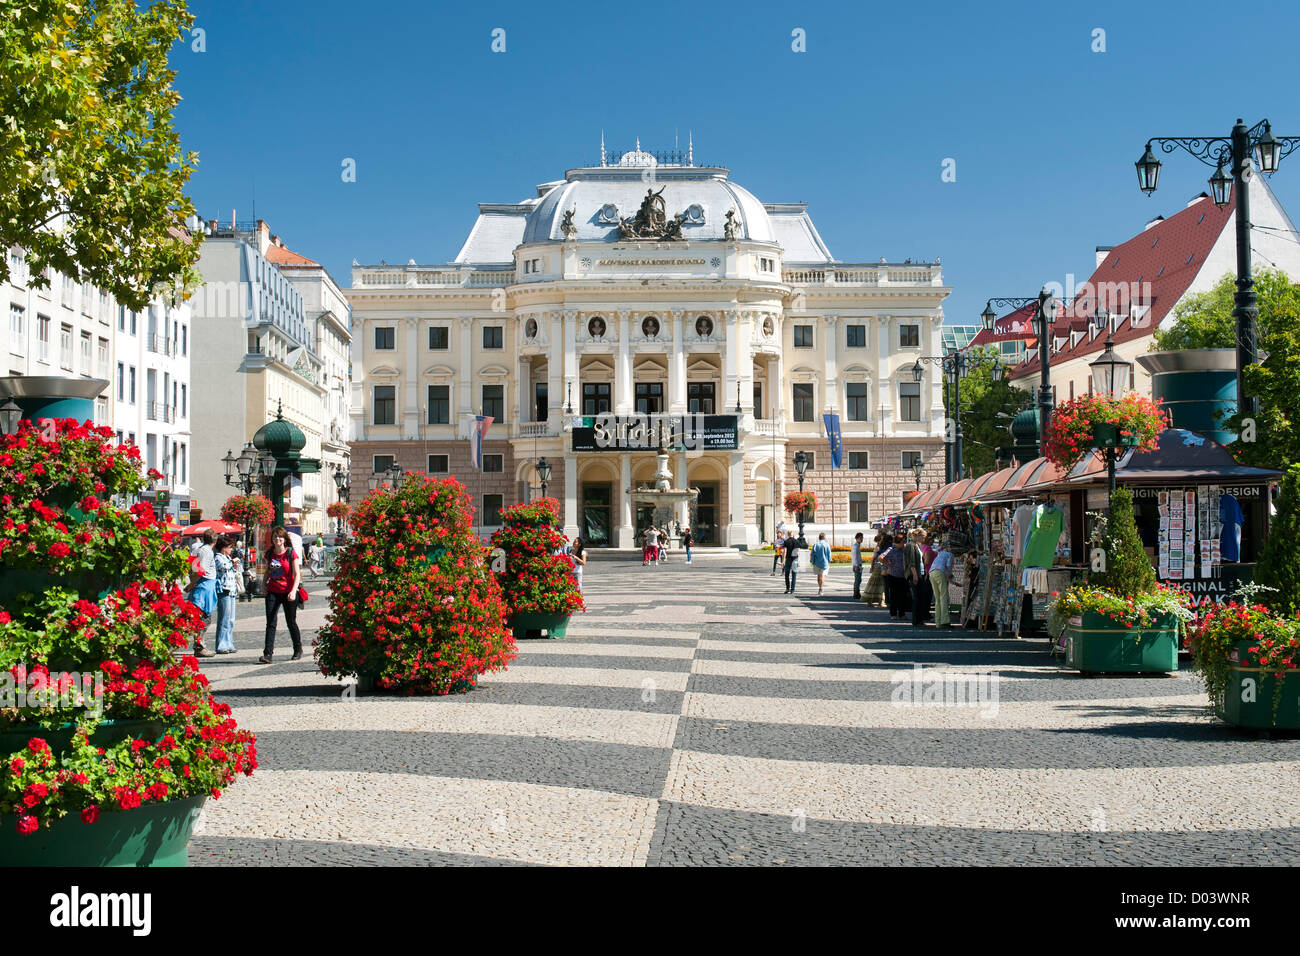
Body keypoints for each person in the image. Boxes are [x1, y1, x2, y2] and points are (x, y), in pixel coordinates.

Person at [259, 526, 303, 664]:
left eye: (280, 537)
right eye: (275, 537)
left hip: (288, 591)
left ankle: (297, 649)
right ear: (272, 539)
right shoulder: (270, 553)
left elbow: (297, 574)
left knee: (291, 622)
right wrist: (263, 584)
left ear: (284, 539)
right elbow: (268, 571)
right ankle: (268, 654)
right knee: (270, 622)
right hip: (273, 590)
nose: (277, 539)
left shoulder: (290, 553)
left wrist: (293, 591)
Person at [188, 531, 219, 657]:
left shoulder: (199, 550)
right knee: (204, 618)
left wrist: (192, 582)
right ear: (215, 540)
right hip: (204, 587)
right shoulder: (207, 552)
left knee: (200, 618)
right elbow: (201, 571)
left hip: (201, 586)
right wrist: (191, 584)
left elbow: (193, 569)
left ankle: (199, 644)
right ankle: (199, 646)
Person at [212, 537, 239, 654]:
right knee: (224, 618)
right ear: (223, 548)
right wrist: (232, 562)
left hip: (231, 589)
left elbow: (231, 570)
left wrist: (235, 566)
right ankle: (221, 644)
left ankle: (229, 643)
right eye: (229, 547)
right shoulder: (218, 557)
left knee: (231, 619)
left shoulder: (227, 557)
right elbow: (223, 567)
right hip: (224, 590)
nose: (231, 549)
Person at [905, 529, 929, 628]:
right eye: (922, 537)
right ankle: (916, 620)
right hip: (915, 574)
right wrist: (914, 575)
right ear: (917, 536)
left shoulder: (916, 545)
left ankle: (919, 619)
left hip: (920, 573)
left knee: (920, 597)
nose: (923, 539)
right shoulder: (911, 545)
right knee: (916, 598)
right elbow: (911, 562)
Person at [880, 532, 907, 620]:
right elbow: (880, 557)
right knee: (894, 595)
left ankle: (902, 614)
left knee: (903, 596)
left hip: (903, 575)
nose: (904, 543)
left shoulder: (904, 549)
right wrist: (888, 565)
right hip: (893, 575)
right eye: (903, 542)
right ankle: (893, 614)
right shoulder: (891, 549)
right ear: (898, 542)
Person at [930, 538, 955, 628]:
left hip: (932, 573)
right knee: (944, 597)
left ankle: (938, 622)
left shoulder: (939, 554)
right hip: (940, 573)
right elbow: (948, 566)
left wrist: (950, 580)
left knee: (937, 598)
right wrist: (950, 576)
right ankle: (945, 620)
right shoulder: (949, 554)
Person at [861, 531, 887, 607]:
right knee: (876, 584)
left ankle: (878, 601)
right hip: (878, 568)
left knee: (878, 585)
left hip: (879, 567)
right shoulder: (878, 548)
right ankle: (873, 601)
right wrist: (872, 567)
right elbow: (873, 559)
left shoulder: (880, 548)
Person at [851, 532, 865, 600]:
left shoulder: (857, 546)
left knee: (859, 579)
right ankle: (856, 593)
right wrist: (856, 565)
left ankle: (857, 592)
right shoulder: (855, 546)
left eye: (862, 538)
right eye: (860, 538)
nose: (861, 539)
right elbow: (855, 557)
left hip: (858, 565)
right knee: (857, 579)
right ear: (856, 538)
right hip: (856, 565)